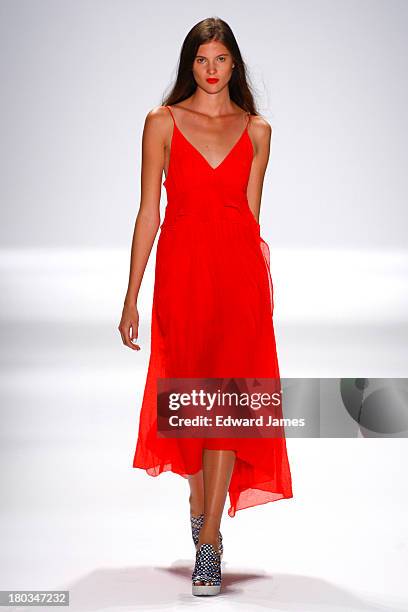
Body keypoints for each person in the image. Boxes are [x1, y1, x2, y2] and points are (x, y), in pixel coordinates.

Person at [118, 16, 293, 597]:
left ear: (234, 63)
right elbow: (150, 213)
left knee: (225, 401)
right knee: (189, 399)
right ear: (189, 65)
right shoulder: (162, 123)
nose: (212, 70)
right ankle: (200, 504)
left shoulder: (258, 129)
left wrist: (259, 293)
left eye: (221, 59)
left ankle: (211, 540)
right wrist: (131, 296)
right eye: (202, 60)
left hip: (237, 278)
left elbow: (251, 215)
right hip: (183, 276)